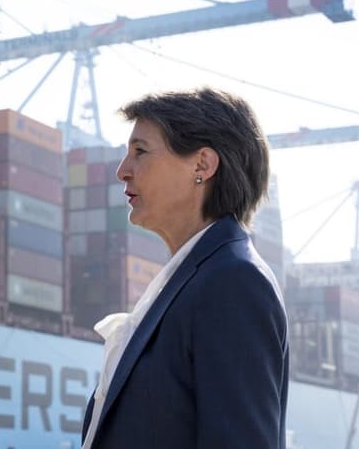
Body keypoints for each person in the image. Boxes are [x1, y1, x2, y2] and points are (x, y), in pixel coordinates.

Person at [81, 87, 288, 448]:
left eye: (140, 151)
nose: (122, 171)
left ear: (202, 165)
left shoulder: (233, 283)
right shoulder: (189, 282)